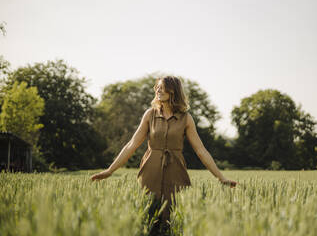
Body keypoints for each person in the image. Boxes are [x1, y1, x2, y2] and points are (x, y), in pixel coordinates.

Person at [90, 76, 237, 234]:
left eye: (162, 87)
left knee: (174, 219)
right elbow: (131, 145)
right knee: (147, 219)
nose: (157, 90)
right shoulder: (150, 114)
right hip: (149, 173)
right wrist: (109, 171)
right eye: (157, 87)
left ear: (173, 91)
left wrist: (221, 177)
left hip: (176, 173)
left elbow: (201, 151)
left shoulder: (186, 119)